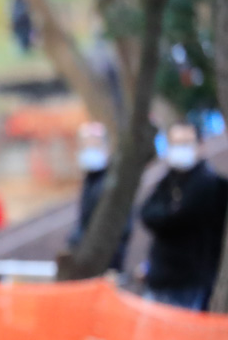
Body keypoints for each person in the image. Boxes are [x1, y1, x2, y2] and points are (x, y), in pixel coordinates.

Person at [139, 122, 228, 311]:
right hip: (162, 279)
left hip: (189, 283)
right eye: (176, 143)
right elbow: (147, 212)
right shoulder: (169, 180)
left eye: (186, 143)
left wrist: (168, 214)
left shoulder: (207, 182)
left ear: (200, 145)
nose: (181, 149)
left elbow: (179, 218)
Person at [67, 121, 129, 272]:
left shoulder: (111, 183)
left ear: (107, 148)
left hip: (105, 264)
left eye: (95, 146)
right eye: (86, 146)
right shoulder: (90, 180)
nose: (90, 151)